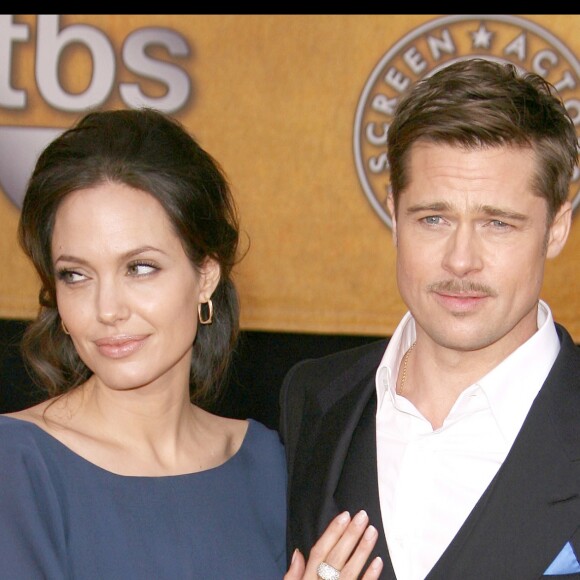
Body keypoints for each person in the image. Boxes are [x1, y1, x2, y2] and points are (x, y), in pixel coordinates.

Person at [0, 108, 383, 579]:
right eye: (76, 275)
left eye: (139, 267)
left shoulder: (267, 464)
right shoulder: (16, 466)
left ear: (206, 276)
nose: (107, 309)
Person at [280, 58, 580, 579]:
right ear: (395, 217)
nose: (461, 260)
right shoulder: (313, 399)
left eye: (498, 223)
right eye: (434, 219)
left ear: (556, 229)